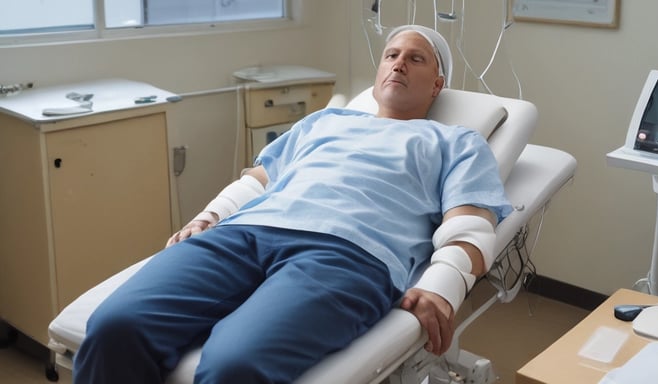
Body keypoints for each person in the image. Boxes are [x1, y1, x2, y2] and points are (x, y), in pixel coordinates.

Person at [73, 24, 511, 384]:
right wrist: (210, 216)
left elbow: (470, 227)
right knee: (115, 328)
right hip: (241, 235)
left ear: (437, 85)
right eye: (391, 55)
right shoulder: (326, 121)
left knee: (234, 366)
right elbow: (257, 181)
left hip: (347, 257)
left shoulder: (456, 141)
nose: (398, 63)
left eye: (415, 59)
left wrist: (443, 287)